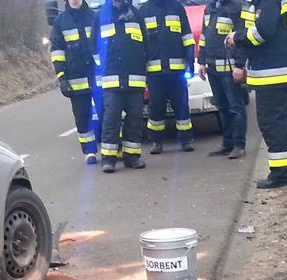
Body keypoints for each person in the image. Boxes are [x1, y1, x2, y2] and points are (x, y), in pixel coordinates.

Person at [226, 0, 287, 188]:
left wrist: (236, 37)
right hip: (280, 72)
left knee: (271, 122)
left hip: (274, 74)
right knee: (282, 120)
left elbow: (262, 32)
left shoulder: (267, 2)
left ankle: (280, 173)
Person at [138, 0, 196, 154]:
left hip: (177, 72)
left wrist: (190, 60)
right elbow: (140, 43)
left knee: (181, 106)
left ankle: (186, 140)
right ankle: (156, 141)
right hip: (155, 73)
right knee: (156, 108)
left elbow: (187, 37)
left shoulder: (177, 8)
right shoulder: (144, 11)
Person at [97, 0, 148, 173]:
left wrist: (145, 71)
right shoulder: (101, 16)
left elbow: (146, 45)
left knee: (134, 120)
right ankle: (108, 159)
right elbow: (93, 48)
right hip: (111, 80)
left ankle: (132, 157)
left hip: (135, 79)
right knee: (111, 120)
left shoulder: (136, 14)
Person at [50, 0, 102, 165]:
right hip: (75, 80)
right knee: (82, 117)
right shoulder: (60, 22)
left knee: (108, 114)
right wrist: (62, 77)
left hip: (98, 79)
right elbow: (57, 52)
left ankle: (115, 148)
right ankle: (89, 152)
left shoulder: (94, 17)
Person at [197, 0, 248, 159]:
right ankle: (227, 144)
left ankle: (239, 145)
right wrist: (201, 61)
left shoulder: (237, 7)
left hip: (229, 69)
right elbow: (204, 35)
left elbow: (242, 38)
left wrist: (239, 65)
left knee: (235, 107)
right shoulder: (210, 7)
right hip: (212, 67)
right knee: (222, 107)